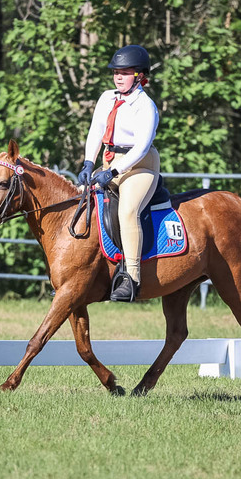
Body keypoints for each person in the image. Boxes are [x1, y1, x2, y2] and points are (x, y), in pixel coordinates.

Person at [77, 44, 160, 302]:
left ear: (139, 76)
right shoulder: (107, 98)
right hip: (109, 160)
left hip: (140, 165)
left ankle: (132, 278)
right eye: (116, 72)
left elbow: (141, 147)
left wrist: (112, 171)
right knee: (80, 197)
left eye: (124, 72)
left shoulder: (145, 106)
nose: (118, 77)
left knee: (127, 210)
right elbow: (96, 131)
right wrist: (89, 163)